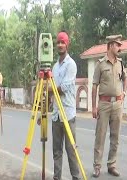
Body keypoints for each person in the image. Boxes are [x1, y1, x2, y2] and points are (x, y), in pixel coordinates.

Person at [39, 31, 80, 180]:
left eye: (63, 42)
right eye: (58, 42)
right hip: (56, 115)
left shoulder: (71, 64)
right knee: (57, 151)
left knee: (71, 151)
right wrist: (43, 112)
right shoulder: (54, 67)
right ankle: (57, 178)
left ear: (67, 44)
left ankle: (76, 177)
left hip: (68, 114)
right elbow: (51, 95)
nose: (60, 45)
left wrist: (46, 89)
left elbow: (62, 89)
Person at [92, 34, 127, 178]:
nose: (119, 47)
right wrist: (94, 107)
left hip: (117, 104)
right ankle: (97, 166)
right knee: (100, 136)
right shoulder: (100, 64)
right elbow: (94, 86)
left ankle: (112, 165)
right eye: (117, 45)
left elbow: (125, 79)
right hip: (104, 104)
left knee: (115, 136)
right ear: (110, 46)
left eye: (119, 45)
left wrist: (124, 92)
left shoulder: (120, 63)